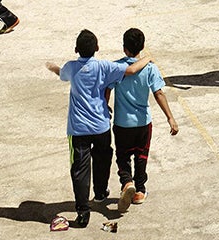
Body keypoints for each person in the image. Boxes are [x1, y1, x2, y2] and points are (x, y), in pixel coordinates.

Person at [47, 29, 153, 228]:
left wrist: (53, 67)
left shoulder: (71, 67)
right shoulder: (104, 66)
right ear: (97, 48)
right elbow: (130, 70)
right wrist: (147, 58)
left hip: (78, 129)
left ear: (76, 49)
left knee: (79, 169)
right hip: (101, 125)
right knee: (103, 158)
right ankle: (101, 192)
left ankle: (83, 212)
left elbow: (61, 73)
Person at [113, 26, 179, 210]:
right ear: (142, 47)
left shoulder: (118, 67)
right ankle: (140, 191)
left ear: (124, 47)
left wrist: (105, 108)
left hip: (122, 123)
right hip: (143, 123)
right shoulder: (150, 69)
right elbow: (158, 93)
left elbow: (107, 89)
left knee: (122, 156)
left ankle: (127, 182)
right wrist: (170, 118)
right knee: (141, 156)